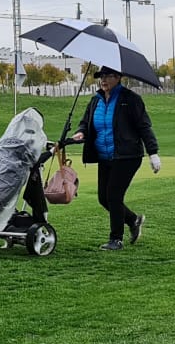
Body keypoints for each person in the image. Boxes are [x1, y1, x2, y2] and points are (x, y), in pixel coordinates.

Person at [66, 66, 160, 250]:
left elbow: (144, 127)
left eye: (109, 76)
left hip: (127, 155)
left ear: (118, 78)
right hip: (105, 156)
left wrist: (153, 153)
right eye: (102, 76)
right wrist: (80, 133)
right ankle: (133, 220)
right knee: (103, 198)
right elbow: (85, 123)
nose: (104, 80)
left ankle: (116, 239)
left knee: (114, 195)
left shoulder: (130, 99)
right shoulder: (96, 101)